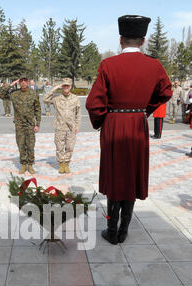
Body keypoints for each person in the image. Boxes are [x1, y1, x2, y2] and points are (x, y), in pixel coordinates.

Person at [86, 15, 172, 244]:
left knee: (116, 175)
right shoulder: (154, 65)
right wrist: (144, 110)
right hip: (138, 126)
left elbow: (93, 103)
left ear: (121, 39)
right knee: (132, 175)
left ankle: (112, 231)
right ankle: (123, 231)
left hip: (114, 125)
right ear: (143, 41)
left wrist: (102, 120)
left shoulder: (108, 65)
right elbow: (166, 92)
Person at [43, 78, 81, 173]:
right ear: (62, 87)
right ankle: (61, 164)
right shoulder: (57, 99)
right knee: (59, 147)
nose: (66, 87)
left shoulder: (75, 98)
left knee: (70, 147)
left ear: (70, 87)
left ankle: (66, 164)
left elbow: (78, 114)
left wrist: (77, 126)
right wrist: (54, 89)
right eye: (64, 85)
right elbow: (45, 99)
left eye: (67, 86)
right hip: (60, 127)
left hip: (71, 128)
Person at [7, 75, 41, 174]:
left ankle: (30, 165)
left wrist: (37, 124)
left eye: (25, 81)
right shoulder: (14, 94)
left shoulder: (33, 94)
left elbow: (38, 109)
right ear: (19, 82)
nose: (23, 83)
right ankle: (23, 164)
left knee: (30, 145)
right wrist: (12, 83)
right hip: (19, 125)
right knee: (21, 145)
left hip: (30, 124)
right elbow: (1, 93)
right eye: (21, 81)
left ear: (28, 82)